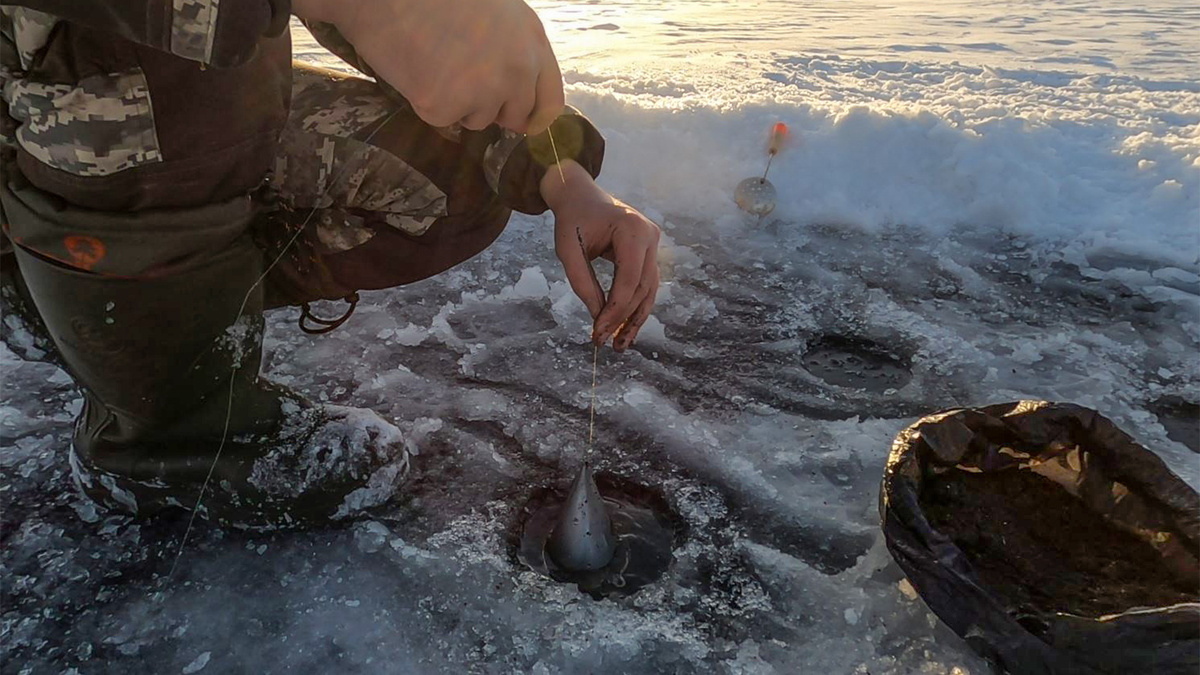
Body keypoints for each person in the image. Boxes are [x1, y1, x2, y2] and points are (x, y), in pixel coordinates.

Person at [0, 0, 662, 528]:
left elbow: (415, 45)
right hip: (58, 101)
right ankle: (162, 439)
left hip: (212, 94)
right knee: (159, 98)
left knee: (460, 187)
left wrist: (560, 171)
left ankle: (107, 312)